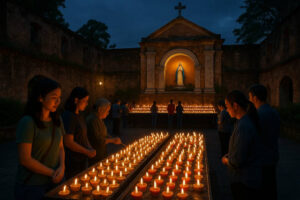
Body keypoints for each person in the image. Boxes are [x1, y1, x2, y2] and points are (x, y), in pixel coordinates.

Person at [15, 76, 65, 200]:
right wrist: (52, 173)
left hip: (55, 181)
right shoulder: (28, 122)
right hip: (33, 186)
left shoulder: (57, 120)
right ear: (40, 98)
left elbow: (61, 147)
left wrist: (62, 166)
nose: (58, 102)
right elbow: (25, 159)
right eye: (54, 98)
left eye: (59, 98)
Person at [222, 90, 263, 200]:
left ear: (235, 106)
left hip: (244, 181)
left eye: (227, 106)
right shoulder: (242, 122)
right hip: (245, 179)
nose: (226, 109)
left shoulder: (244, 126)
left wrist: (227, 160)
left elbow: (238, 160)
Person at [249, 84, 280, 200]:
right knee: (271, 185)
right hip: (272, 154)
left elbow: (254, 137)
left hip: (261, 157)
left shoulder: (257, 115)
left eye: (250, 97)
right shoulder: (274, 112)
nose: (249, 99)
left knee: (262, 188)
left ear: (255, 98)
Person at [62, 87, 96, 179]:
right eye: (85, 101)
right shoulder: (69, 116)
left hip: (82, 158)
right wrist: (87, 151)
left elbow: (84, 136)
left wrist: (90, 148)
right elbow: (68, 142)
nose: (87, 103)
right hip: (73, 161)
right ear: (76, 100)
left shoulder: (80, 115)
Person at [86, 98, 122, 166]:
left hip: (101, 152)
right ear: (100, 109)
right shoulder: (92, 120)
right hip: (95, 154)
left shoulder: (99, 119)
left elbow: (103, 133)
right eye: (107, 111)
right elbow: (97, 140)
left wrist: (112, 138)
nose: (108, 113)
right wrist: (112, 140)